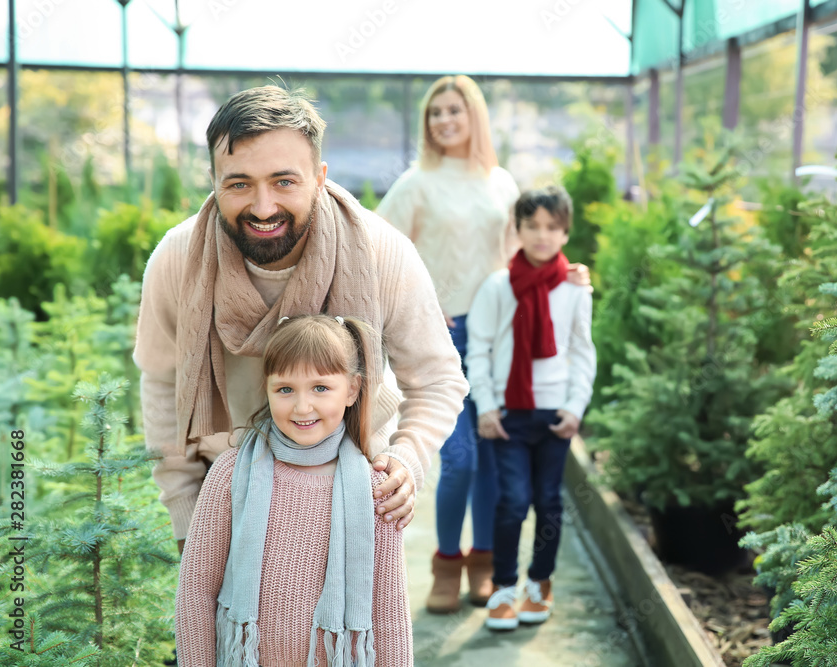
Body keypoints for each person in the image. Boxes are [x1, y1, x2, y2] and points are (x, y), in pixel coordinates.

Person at [133, 86, 468, 555]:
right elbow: (163, 385)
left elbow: (438, 378)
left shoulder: (380, 251)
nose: (263, 206)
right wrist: (186, 511)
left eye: (284, 181)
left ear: (319, 177)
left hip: (355, 500)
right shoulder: (177, 259)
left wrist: (406, 458)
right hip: (226, 503)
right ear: (213, 181)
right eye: (239, 183)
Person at [377, 75, 589, 613]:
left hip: (500, 336)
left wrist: (570, 276)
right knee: (462, 458)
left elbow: (529, 253)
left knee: (494, 456)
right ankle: (445, 564)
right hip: (440, 336)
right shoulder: (415, 182)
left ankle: (484, 564)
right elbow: (379, 248)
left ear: (475, 116)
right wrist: (420, 301)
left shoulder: (501, 182)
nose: (444, 121)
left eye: (454, 110)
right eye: (435, 113)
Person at [176, 314, 412, 666]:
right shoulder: (230, 474)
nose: (303, 407)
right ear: (268, 388)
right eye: (285, 389)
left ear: (352, 389)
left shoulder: (375, 489)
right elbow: (196, 590)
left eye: (320, 387)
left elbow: (389, 613)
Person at [465, 186, 596, 631]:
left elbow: (582, 350)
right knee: (513, 502)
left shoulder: (576, 288)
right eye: (532, 226)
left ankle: (540, 583)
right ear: (517, 229)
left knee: (549, 503)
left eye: (552, 227)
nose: (542, 236)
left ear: (564, 233)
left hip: (556, 414)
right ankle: (504, 586)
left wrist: (576, 407)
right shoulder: (499, 286)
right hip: (509, 415)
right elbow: (478, 350)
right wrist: (485, 407)